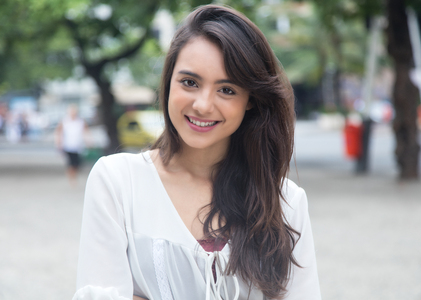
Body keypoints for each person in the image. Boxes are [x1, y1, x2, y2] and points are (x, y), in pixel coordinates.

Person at [73, 5, 321, 300]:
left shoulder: (286, 202)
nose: (203, 105)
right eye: (190, 82)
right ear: (168, 83)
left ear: (250, 100)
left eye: (227, 89)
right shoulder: (117, 182)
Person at [56, 104, 88, 186]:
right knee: (70, 163)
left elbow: (85, 131)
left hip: (78, 145)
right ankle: (72, 178)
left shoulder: (80, 121)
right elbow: (59, 132)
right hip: (68, 145)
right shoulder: (64, 121)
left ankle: (74, 175)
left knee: (77, 163)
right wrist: (58, 142)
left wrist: (88, 141)